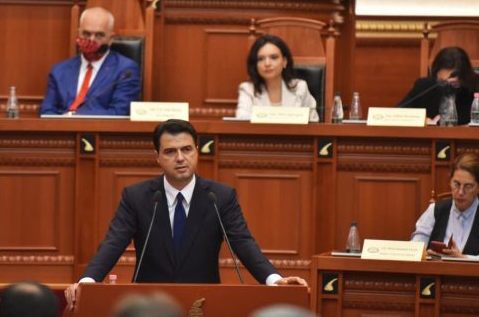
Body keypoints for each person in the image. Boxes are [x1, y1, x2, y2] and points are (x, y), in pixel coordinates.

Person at [64, 119, 308, 310]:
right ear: (157, 157)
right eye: (170, 151)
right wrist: (88, 282)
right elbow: (114, 242)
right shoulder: (137, 197)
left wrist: (274, 279)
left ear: (197, 151)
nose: (180, 158)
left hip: (203, 303)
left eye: (187, 149)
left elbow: (243, 242)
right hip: (150, 305)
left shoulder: (220, 197)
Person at [411, 153, 479, 260]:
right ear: (450, 181)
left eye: (468, 186)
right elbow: (414, 250)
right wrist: (426, 255)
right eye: (456, 184)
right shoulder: (435, 210)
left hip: (474, 272)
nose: (460, 192)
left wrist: (464, 258)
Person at [39, 7, 140, 116]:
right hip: (61, 127)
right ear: (78, 34)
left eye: (99, 35)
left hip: (100, 127)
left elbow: (119, 112)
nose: (92, 40)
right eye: (86, 34)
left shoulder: (125, 70)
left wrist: (74, 117)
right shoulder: (59, 70)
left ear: (111, 39)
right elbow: (46, 112)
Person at [398, 46, 479, 124]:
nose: (448, 86)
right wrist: (421, 121)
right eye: (442, 82)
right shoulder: (424, 87)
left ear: (465, 77)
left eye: (453, 83)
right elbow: (397, 115)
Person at [236, 35, 319, 122]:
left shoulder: (300, 87)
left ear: (284, 61)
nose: (267, 63)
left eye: (274, 57)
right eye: (260, 59)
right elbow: (242, 121)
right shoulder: (248, 90)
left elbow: (313, 122)